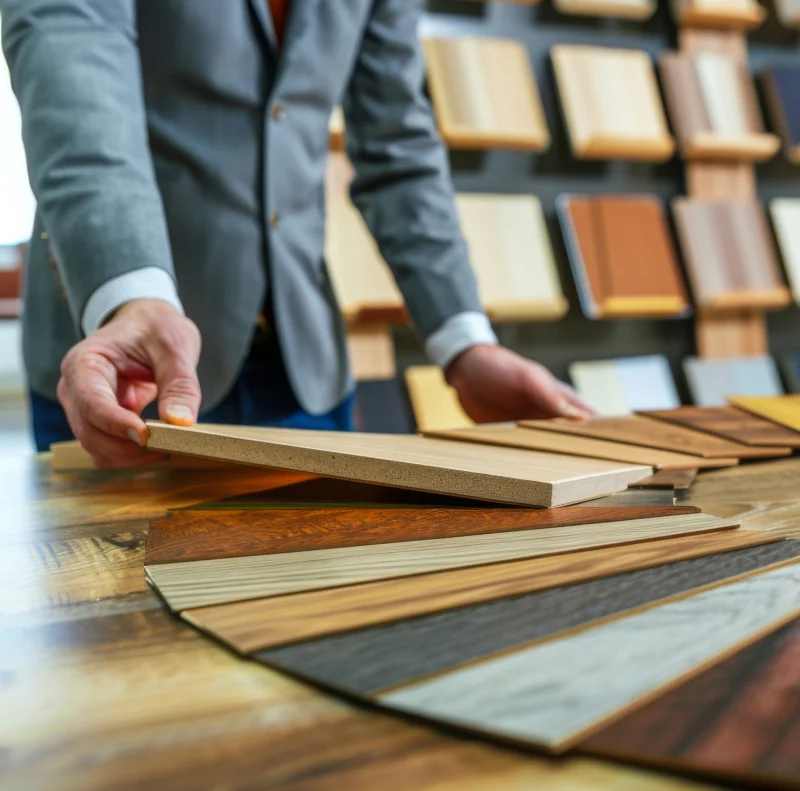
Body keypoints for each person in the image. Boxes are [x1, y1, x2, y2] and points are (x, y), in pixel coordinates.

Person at [2, 0, 591, 468]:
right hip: (125, 373)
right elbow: (75, 81)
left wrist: (464, 342)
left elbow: (399, 144)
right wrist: (131, 296)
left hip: (305, 372)